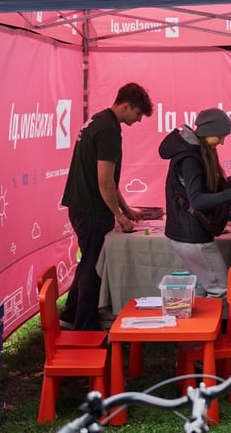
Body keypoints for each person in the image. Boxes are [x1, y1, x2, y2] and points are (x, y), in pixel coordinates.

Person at [60, 82, 154, 331]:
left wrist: (125, 209)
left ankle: (70, 316)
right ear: (126, 106)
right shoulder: (109, 131)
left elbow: (108, 181)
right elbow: (104, 181)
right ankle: (85, 328)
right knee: (93, 267)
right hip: (92, 210)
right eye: (137, 114)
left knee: (88, 261)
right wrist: (117, 215)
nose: (138, 120)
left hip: (81, 205)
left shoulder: (98, 121)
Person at [159, 108, 231, 297]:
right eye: (219, 137)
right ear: (207, 133)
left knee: (200, 291)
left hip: (186, 234)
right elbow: (198, 200)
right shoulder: (190, 159)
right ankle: (220, 327)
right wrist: (230, 194)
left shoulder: (192, 152)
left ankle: (200, 326)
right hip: (193, 237)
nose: (222, 142)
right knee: (222, 291)